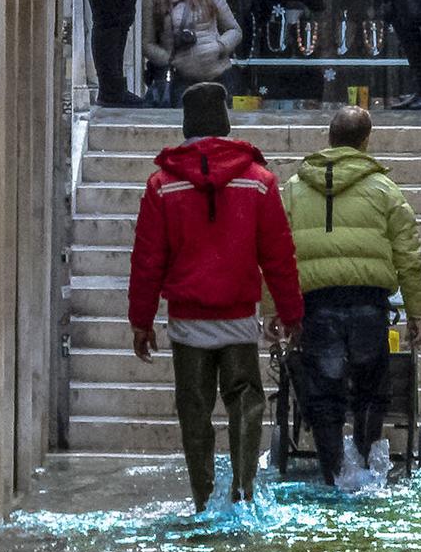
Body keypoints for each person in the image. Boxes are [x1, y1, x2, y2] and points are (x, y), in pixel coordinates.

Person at [128, 83, 306, 510]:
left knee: (194, 410)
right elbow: (278, 255)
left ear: (186, 124)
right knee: (246, 403)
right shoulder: (259, 182)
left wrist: (141, 320)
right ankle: (243, 493)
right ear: (226, 123)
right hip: (238, 319)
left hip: (188, 323)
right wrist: (290, 311)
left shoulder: (162, 186)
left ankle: (203, 499)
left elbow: (148, 259)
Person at [278, 106, 421, 486]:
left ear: (329, 140)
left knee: (324, 394)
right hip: (368, 304)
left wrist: (273, 309)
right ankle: (363, 466)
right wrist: (416, 311)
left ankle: (333, 474)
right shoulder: (384, 190)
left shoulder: (294, 188)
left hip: (316, 305)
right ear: (365, 142)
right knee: (370, 388)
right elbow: (409, 256)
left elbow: (275, 254)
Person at [142, 0, 243, 104]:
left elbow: (234, 30)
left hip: (219, 76)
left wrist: (219, 46)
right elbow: (147, 44)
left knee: (221, 127)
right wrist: (169, 59)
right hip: (180, 81)